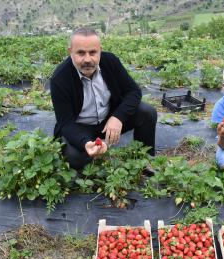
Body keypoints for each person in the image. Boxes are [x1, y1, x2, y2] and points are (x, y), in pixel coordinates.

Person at [50, 27, 157, 170]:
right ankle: (92, 149)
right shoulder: (60, 78)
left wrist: (118, 117)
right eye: (81, 53)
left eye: (93, 52)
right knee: (75, 159)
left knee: (147, 112)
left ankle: (145, 160)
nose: (87, 59)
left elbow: (133, 91)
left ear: (100, 50)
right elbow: (66, 123)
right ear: (70, 52)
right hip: (81, 127)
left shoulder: (110, 61)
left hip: (108, 122)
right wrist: (85, 143)